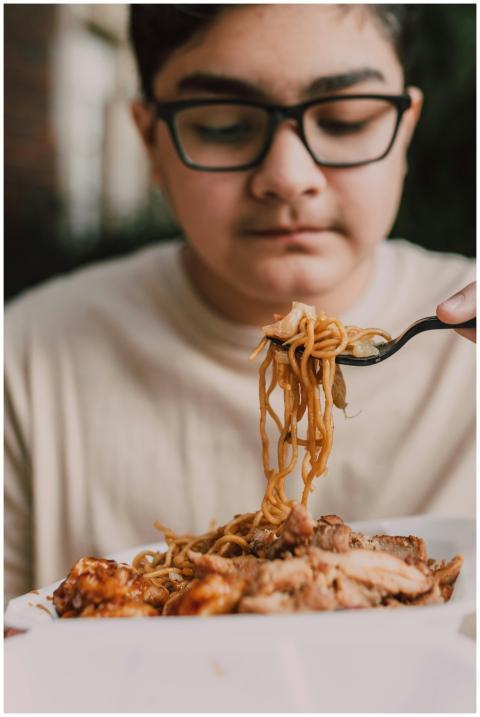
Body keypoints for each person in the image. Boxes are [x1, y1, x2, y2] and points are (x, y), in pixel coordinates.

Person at [5, 4, 475, 602]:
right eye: (224, 124)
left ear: (404, 129)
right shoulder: (22, 364)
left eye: (346, 119)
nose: (288, 175)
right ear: (150, 140)